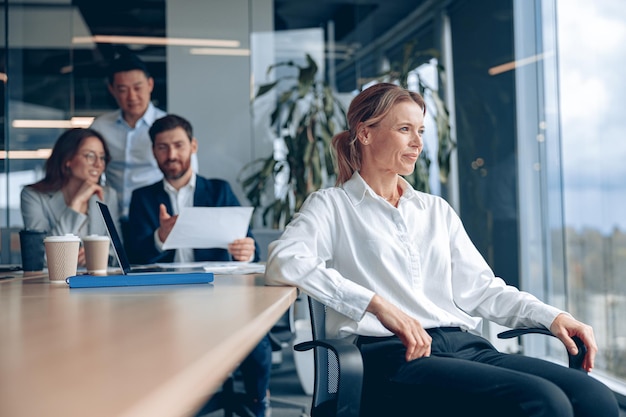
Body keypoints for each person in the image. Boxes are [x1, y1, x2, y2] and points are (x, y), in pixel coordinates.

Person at [265, 83, 618, 417]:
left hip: (463, 346)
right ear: (365, 133)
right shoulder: (332, 205)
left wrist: (553, 317)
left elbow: (482, 289)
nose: (417, 142)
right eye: (405, 129)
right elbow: (284, 261)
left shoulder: (435, 210)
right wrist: (377, 305)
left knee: (593, 397)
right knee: (542, 402)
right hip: (393, 356)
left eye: (420, 131)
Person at [127, 114, 270, 417]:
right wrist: (159, 237)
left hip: (216, 293)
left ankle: (258, 402)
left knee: (255, 335)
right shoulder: (143, 198)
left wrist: (246, 250)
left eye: (178, 145)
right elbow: (134, 256)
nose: (172, 155)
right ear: (153, 151)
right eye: (163, 148)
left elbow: (251, 245)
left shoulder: (218, 190)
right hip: (161, 297)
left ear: (193, 145)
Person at [20, 128, 119, 266]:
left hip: (96, 280)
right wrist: (76, 203)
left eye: (102, 157)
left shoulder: (107, 195)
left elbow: (116, 252)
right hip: (52, 281)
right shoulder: (33, 196)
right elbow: (41, 257)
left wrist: (98, 255)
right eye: (90, 156)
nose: (98, 164)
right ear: (68, 159)